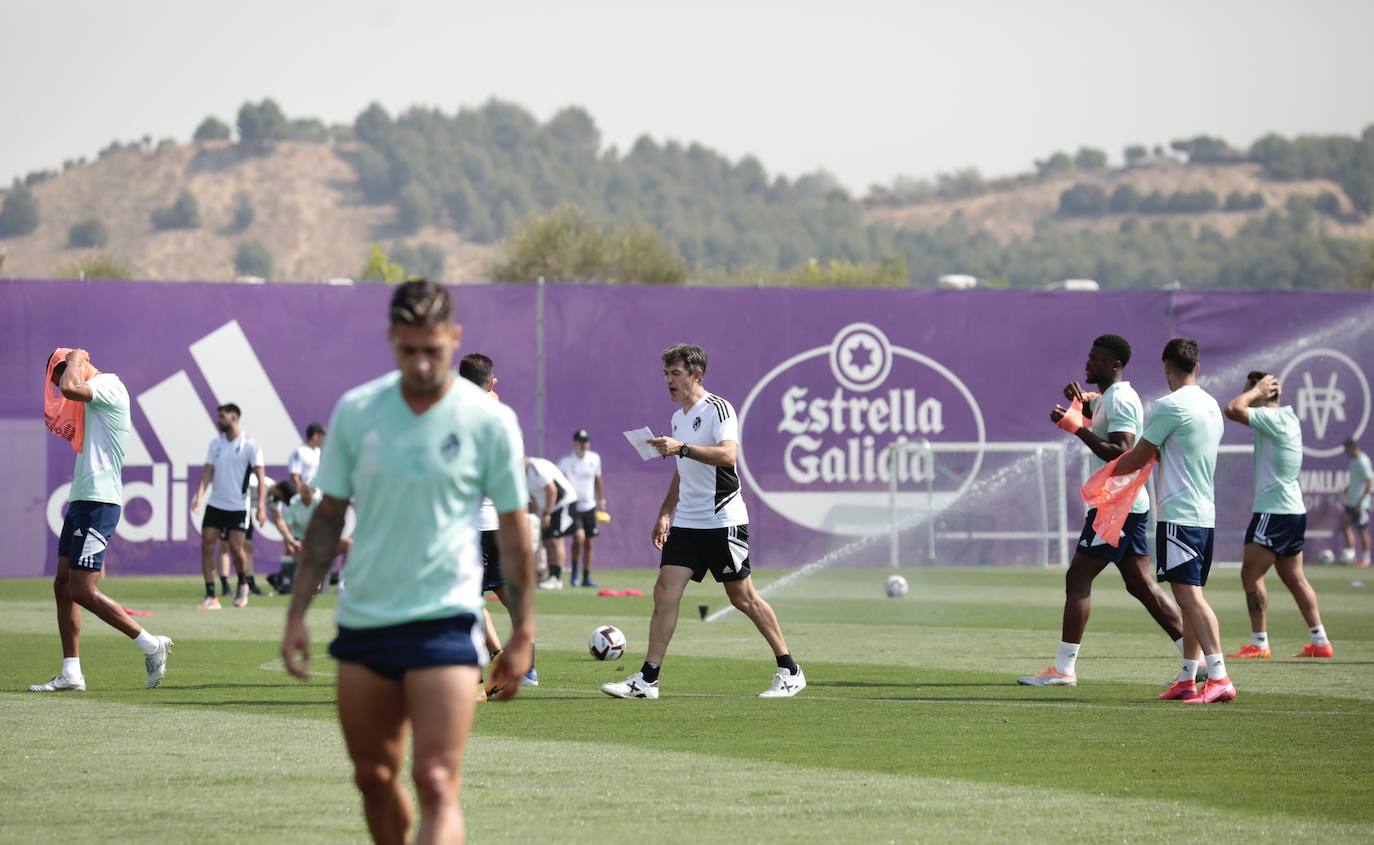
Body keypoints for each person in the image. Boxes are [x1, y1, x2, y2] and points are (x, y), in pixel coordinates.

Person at [280, 279, 535, 845]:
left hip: (446, 621)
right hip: (367, 619)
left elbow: (516, 532)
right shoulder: (358, 411)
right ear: (392, 339)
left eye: (434, 350)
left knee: (438, 780)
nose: (422, 363)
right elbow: (326, 520)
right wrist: (297, 612)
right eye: (409, 350)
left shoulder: (489, 421)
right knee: (373, 777)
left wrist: (525, 635)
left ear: (455, 338)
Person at [601, 343, 805, 700]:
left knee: (743, 597)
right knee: (665, 591)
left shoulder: (718, 409)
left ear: (696, 374)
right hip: (688, 522)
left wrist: (680, 447)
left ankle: (790, 670)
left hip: (722, 517)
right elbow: (683, 472)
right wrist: (666, 512)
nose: (669, 381)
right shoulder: (680, 417)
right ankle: (647, 680)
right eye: (666, 374)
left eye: (675, 373)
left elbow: (728, 455)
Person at [1019, 335, 1186, 687]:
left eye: (1096, 358)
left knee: (1077, 579)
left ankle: (1064, 669)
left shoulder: (1122, 398)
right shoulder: (1111, 397)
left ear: (1115, 364)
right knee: (1141, 586)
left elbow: (1122, 453)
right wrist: (1082, 405)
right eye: (1089, 356)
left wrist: (1075, 427)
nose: (1088, 363)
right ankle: (1195, 656)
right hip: (1125, 505)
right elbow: (1104, 422)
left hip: (1117, 508)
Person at [29, 348, 173, 693]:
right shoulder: (90, 393)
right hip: (82, 499)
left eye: (60, 372)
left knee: (82, 590)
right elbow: (69, 389)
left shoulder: (109, 384)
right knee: (62, 584)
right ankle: (71, 672)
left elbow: (70, 388)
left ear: (75, 366)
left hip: (100, 502)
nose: (59, 382)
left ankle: (151, 645)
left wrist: (75, 358)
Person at [1112, 338, 1234, 704]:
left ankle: (1219, 676)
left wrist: (1105, 476)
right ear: (1197, 367)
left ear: (1167, 367)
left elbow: (1138, 457)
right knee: (1189, 598)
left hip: (1179, 514)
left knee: (1190, 598)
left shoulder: (1169, 406)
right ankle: (1187, 678)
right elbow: (1172, 454)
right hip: (1204, 514)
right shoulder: (1211, 405)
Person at [1223, 372, 1333, 659]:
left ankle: (1259, 644)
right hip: (1292, 510)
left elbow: (1233, 409)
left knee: (1250, 574)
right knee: (1294, 577)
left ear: (1262, 392)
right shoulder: (1286, 418)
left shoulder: (1273, 419)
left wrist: (1254, 391)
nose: (1244, 394)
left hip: (1275, 511)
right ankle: (1320, 640)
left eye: (1248, 389)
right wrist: (1257, 393)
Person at [457, 352, 538, 688]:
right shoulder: (504, 418)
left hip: (470, 526)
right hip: (502, 522)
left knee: (468, 601)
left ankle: (485, 666)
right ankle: (523, 663)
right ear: (491, 382)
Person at [190, 403, 267, 608]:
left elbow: (261, 477)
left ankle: (243, 582)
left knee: (235, 548)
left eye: (222, 416)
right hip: (216, 504)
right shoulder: (215, 444)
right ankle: (211, 595)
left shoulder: (251, 445)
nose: (219, 420)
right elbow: (207, 473)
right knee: (207, 544)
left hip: (238, 506)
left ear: (234, 418)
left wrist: (261, 506)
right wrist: (199, 496)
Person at [268, 479, 349, 595]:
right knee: (291, 550)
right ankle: (286, 581)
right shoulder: (293, 504)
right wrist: (292, 542)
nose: (305, 492)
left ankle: (343, 581)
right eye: (303, 489)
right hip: (298, 540)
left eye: (308, 490)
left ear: (314, 491)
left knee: (348, 545)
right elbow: (289, 530)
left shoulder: (320, 503)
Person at [559, 429, 606, 588]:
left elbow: (598, 479)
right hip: (573, 506)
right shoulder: (566, 461)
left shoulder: (594, 458)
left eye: (585, 441)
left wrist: (602, 501)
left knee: (589, 543)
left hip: (589, 506)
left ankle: (586, 576)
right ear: (575, 443)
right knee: (578, 538)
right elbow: (558, 480)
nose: (583, 444)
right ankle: (574, 573)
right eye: (580, 441)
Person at [525, 456, 578, 589]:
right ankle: (551, 576)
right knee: (548, 541)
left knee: (556, 540)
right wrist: (538, 516)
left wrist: (547, 513)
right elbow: (533, 498)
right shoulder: (522, 476)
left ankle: (556, 578)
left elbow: (552, 490)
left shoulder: (535, 467)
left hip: (562, 503)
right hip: (549, 508)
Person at [1341, 438, 1372, 567]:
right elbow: (1356, 480)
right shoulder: (1353, 461)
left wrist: (1361, 501)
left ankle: (1366, 558)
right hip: (1351, 501)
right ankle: (1351, 556)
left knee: (1362, 530)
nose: (1346, 453)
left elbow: (1369, 481)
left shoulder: (1362, 461)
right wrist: (1348, 488)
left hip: (1360, 504)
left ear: (1352, 448)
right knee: (1345, 525)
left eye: (1346, 450)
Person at [290, 423, 326, 506]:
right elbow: (295, 477)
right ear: (315, 436)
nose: (323, 439)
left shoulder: (318, 451)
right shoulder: (299, 452)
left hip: (318, 496)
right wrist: (303, 496)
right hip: (305, 497)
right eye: (321, 436)